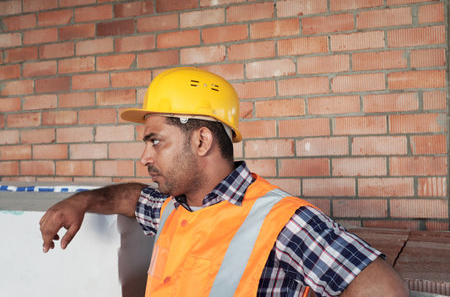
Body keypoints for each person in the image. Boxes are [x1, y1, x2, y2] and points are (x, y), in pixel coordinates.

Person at [40, 67, 409, 297]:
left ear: (201, 141)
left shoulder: (282, 220)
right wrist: (82, 200)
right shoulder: (173, 206)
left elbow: (384, 290)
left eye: (156, 141)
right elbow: (132, 198)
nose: (145, 158)